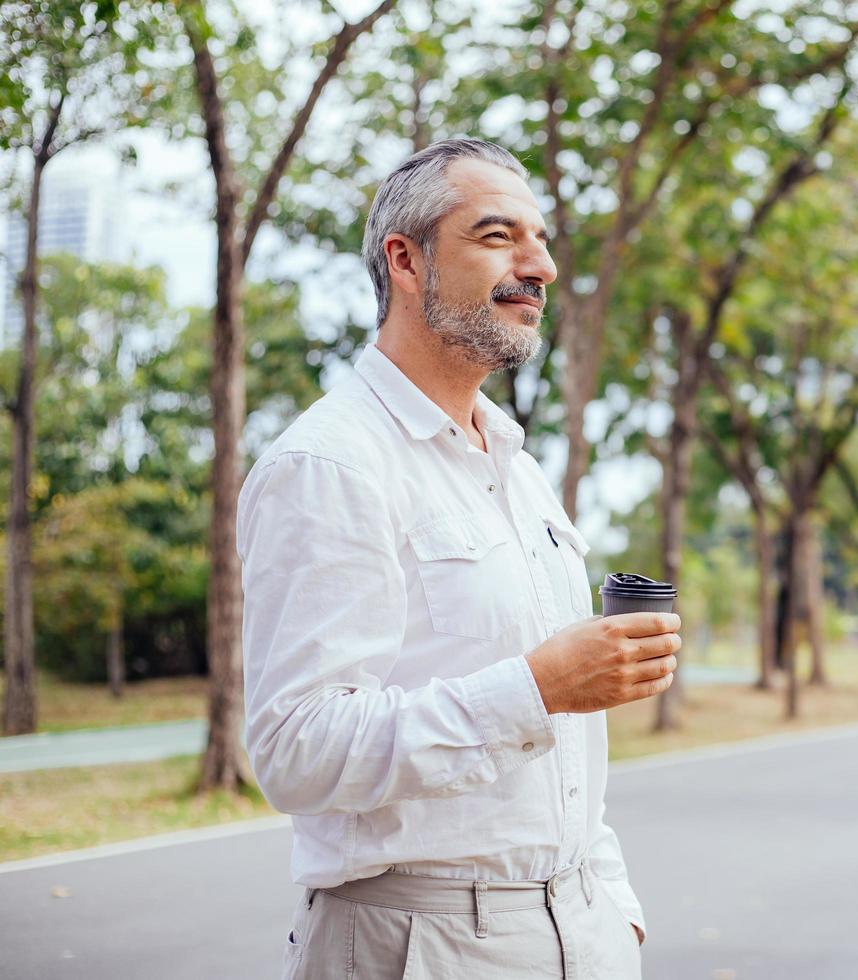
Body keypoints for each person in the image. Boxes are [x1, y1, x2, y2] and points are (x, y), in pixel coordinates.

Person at [239, 137, 679, 979]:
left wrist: (614, 913)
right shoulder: (328, 465)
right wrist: (540, 686)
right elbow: (298, 750)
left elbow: (566, 758)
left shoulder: (518, 467)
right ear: (405, 260)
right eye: (497, 235)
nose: (540, 265)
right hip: (421, 945)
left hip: (579, 930)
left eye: (541, 239)